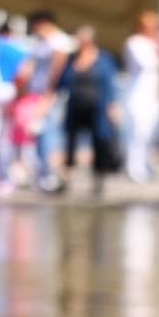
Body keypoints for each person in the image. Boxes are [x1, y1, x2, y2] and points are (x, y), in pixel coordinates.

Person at [58, 25, 121, 196]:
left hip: (97, 107)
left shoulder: (103, 59)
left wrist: (112, 106)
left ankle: (98, 179)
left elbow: (110, 84)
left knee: (98, 141)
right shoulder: (72, 59)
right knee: (70, 143)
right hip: (75, 106)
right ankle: (67, 179)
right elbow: (62, 82)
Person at [19, 8, 72, 192]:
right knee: (36, 133)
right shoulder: (40, 42)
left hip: (50, 95)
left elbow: (56, 69)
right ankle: (41, 173)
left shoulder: (58, 41)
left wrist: (49, 93)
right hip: (36, 93)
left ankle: (51, 174)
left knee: (49, 133)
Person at [123, 10, 159, 182]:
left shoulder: (154, 43)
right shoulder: (135, 43)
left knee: (151, 133)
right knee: (138, 132)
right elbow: (147, 64)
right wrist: (158, 46)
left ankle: (147, 165)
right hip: (137, 95)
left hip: (153, 96)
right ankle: (134, 167)